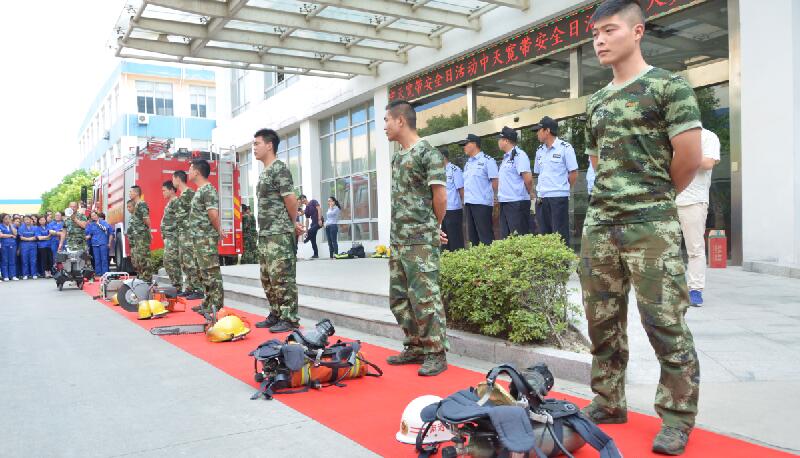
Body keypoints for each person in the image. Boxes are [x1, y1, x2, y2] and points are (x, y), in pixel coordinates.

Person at [579, 1, 703, 455]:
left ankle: (676, 417)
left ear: (637, 31)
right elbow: (598, 164)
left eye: (609, 30)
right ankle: (609, 399)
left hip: (651, 224)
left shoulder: (668, 87)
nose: (599, 40)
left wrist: (651, 200)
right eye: (595, 33)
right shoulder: (595, 101)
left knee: (665, 323)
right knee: (602, 323)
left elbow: (687, 158)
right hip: (601, 224)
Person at [384, 100, 449, 376]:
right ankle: (415, 345)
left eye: (387, 119)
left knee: (425, 297)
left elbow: (440, 196)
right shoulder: (397, 156)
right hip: (398, 240)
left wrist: (434, 226)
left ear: (401, 121)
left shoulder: (428, 153)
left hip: (420, 241)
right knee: (399, 297)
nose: (384, 126)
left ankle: (436, 351)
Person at [251, 128, 305, 333]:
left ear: (269, 145)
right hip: (266, 233)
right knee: (267, 277)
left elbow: (291, 199)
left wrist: (292, 223)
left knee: (282, 277)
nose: (254, 148)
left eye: (257, 143)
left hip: (279, 233)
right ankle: (276, 313)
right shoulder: (266, 171)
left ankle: (289, 317)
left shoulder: (279, 168)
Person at [676, 128, 721, 307]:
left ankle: (695, 290)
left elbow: (708, 162)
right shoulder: (671, 135)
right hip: (667, 200)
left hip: (693, 201)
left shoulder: (708, 136)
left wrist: (682, 156)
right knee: (665, 249)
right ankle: (672, 289)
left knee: (695, 248)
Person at [533, 116, 579, 246]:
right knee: (545, 236)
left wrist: (563, 188)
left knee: (560, 235)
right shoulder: (539, 151)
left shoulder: (565, 147)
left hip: (558, 198)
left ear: (547, 131)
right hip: (542, 198)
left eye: (539, 130)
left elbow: (574, 173)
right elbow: (539, 173)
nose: (537, 133)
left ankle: (563, 266)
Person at [187, 159, 225, 315]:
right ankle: (208, 302)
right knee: (204, 273)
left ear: (197, 171)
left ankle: (217, 306)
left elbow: (213, 213)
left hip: (206, 239)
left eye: (190, 169)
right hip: (199, 238)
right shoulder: (200, 190)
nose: (188, 172)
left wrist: (219, 229)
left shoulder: (208, 189)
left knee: (211, 272)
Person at [460, 133, 498, 246]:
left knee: (485, 237)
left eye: (466, 144)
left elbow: (495, 182)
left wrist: (494, 198)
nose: (464, 147)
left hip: (482, 204)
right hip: (469, 204)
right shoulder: (467, 164)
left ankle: (490, 261)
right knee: (472, 238)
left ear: (474, 144)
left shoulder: (487, 160)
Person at [497, 126, 533, 238]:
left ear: (506, 140)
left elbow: (528, 178)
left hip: (517, 202)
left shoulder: (519, 155)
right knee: (506, 237)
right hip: (505, 202)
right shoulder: (506, 158)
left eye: (500, 139)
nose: (498, 142)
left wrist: (530, 193)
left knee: (519, 237)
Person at [173, 170, 203, 299]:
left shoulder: (190, 193)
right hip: (182, 233)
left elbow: (195, 213)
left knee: (191, 262)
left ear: (178, 179)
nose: (173, 182)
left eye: (173, 179)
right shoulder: (183, 195)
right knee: (184, 262)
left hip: (189, 233)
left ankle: (198, 289)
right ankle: (191, 287)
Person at [159, 181, 183, 290]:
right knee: (168, 262)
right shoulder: (170, 202)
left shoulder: (176, 202)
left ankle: (177, 286)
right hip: (169, 237)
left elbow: (181, 220)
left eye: (164, 190)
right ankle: (176, 285)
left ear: (172, 190)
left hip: (174, 237)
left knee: (171, 261)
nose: (162, 193)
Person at [127, 186, 153, 282]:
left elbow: (146, 219)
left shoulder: (141, 204)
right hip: (137, 236)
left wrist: (149, 231)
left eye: (131, 192)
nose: (129, 194)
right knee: (138, 259)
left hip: (142, 236)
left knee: (144, 257)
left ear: (136, 193)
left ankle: (147, 279)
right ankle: (141, 277)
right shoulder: (136, 204)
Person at [441, 149, 465, 251]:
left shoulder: (455, 170)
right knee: (444, 240)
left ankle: (458, 262)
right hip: (442, 211)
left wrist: (464, 206)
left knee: (455, 239)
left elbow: (461, 190)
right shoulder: (437, 172)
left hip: (453, 210)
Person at [85, 211, 111, 277]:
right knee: (97, 259)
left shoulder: (103, 222)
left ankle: (105, 273)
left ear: (97, 215)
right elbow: (90, 235)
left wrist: (98, 223)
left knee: (104, 259)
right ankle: (98, 273)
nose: (94, 217)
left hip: (103, 243)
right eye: (92, 216)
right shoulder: (91, 224)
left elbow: (105, 229)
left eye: (94, 215)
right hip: (94, 244)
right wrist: (85, 238)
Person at [0, 214, 18, 281]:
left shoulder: (12, 226)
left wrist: (11, 225)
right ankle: (5, 276)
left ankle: (12, 275)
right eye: (6, 218)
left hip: (12, 245)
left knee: (12, 260)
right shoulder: (0, 226)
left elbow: (15, 234)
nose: (7, 220)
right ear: (2, 219)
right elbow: (1, 235)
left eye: (9, 218)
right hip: (4, 245)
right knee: (5, 260)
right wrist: (10, 235)